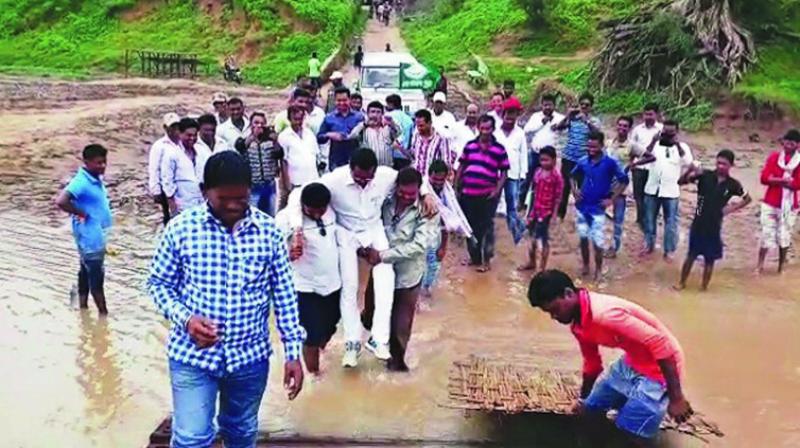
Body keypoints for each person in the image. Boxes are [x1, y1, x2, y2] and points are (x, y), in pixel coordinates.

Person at [148, 151, 305, 448]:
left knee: (241, 431)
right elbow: (158, 284)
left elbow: (284, 297)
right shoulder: (180, 229)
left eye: (242, 199)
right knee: (192, 438)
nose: (234, 206)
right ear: (205, 191)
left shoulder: (269, 232)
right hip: (192, 357)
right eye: (224, 199)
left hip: (249, 359)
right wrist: (187, 319)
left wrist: (293, 354)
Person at [285, 148, 437, 368]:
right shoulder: (335, 179)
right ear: (350, 169)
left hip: (374, 229)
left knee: (387, 276)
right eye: (358, 178)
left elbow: (410, 176)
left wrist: (426, 193)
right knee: (349, 287)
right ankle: (352, 343)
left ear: (376, 172)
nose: (364, 183)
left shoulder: (386, 175)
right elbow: (298, 195)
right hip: (347, 233)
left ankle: (379, 339)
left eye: (368, 179)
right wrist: (297, 229)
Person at [527, 270, 693, 445]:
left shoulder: (605, 315)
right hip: (632, 362)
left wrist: (677, 399)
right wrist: (583, 399)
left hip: (660, 368)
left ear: (569, 293)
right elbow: (592, 364)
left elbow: (661, 344)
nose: (554, 317)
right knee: (589, 411)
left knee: (631, 430)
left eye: (555, 309)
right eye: (549, 313)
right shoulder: (578, 324)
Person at [360, 168, 439, 371]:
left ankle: (396, 370)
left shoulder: (427, 209)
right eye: (401, 193)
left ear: (418, 191)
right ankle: (374, 340)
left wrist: (382, 256)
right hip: (380, 272)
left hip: (406, 277)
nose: (405, 197)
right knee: (368, 316)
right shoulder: (385, 200)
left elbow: (419, 246)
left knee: (399, 330)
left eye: (411, 194)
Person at [276, 183, 342, 375]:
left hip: (332, 284)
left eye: (321, 210)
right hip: (304, 287)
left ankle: (320, 348)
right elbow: (273, 253)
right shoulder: (285, 219)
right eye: (311, 211)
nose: (317, 215)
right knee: (310, 335)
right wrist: (288, 253)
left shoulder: (331, 212)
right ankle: (315, 375)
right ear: (301, 205)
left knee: (332, 324)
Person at [677, 150, 751, 291]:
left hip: (715, 222)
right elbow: (681, 182)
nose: (720, 166)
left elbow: (747, 199)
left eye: (724, 164)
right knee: (691, 254)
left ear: (731, 165)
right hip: (699, 218)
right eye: (718, 163)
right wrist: (689, 170)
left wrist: (730, 209)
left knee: (710, 258)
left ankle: (704, 287)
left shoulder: (733, 184)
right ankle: (681, 283)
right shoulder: (704, 175)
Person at [55, 144, 112, 315]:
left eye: (104, 162)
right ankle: (104, 316)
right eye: (98, 163)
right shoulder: (81, 182)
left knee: (85, 274)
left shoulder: (94, 178)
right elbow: (61, 201)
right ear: (86, 162)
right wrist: (81, 213)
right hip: (90, 240)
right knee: (96, 282)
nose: (102, 166)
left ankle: (83, 309)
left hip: (92, 237)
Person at [570, 131, 628, 281]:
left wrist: (612, 199)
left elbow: (624, 180)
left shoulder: (610, 163)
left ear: (602, 146)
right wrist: (574, 191)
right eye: (589, 146)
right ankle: (585, 265)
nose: (591, 150)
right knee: (583, 238)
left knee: (597, 241)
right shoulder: (583, 161)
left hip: (598, 208)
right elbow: (571, 176)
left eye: (594, 147)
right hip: (582, 206)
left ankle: (599, 270)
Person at [456, 114, 509, 273]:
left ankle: (486, 261)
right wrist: (456, 187)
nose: (485, 131)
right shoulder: (469, 145)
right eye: (482, 128)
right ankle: (474, 258)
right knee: (469, 227)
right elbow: (461, 166)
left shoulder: (499, 149)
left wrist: (497, 191)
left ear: (493, 129)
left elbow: (504, 172)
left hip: (488, 196)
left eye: (488, 128)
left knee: (486, 227)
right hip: (467, 194)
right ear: (478, 128)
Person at [634, 120, 693, 261]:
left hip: (671, 191)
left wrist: (677, 144)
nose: (668, 135)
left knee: (671, 222)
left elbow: (688, 162)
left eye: (671, 133)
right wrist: (654, 141)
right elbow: (644, 155)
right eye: (665, 132)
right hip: (652, 188)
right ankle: (649, 245)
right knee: (649, 219)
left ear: (677, 132)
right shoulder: (656, 145)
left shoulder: (683, 147)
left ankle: (669, 250)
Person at [756, 129, 800, 273]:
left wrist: (774, 180)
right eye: (786, 142)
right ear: (783, 143)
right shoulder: (774, 157)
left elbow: (797, 184)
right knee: (766, 234)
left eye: (791, 143)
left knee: (784, 235)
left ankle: (781, 267)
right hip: (770, 202)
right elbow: (763, 178)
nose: (788, 145)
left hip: (790, 205)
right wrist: (783, 180)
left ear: (797, 145)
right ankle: (759, 265)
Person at [553, 93, 602, 220]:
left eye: (587, 105)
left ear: (591, 107)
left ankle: (582, 216)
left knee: (582, 189)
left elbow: (598, 135)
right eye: (582, 104)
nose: (584, 107)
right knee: (564, 188)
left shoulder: (594, 121)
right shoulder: (573, 118)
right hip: (568, 158)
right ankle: (560, 216)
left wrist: (587, 122)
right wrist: (568, 116)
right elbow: (558, 128)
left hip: (584, 161)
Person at [519, 146, 562, 273]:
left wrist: (554, 215)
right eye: (542, 160)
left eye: (546, 160)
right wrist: (529, 211)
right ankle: (531, 262)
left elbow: (558, 197)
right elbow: (534, 192)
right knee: (531, 236)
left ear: (554, 160)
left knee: (542, 239)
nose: (544, 163)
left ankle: (542, 268)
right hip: (535, 209)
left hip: (546, 212)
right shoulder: (538, 172)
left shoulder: (556, 176)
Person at [494, 97, 528, 244]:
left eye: (513, 114)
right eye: (508, 113)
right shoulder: (495, 133)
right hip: (495, 175)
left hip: (513, 175)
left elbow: (523, 154)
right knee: (492, 205)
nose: (510, 117)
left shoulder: (520, 133)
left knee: (512, 207)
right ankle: (491, 238)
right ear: (503, 114)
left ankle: (517, 237)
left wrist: (523, 174)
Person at [521, 94, 564, 209]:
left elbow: (565, 130)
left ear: (554, 106)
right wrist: (542, 122)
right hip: (535, 153)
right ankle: (520, 203)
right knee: (527, 178)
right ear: (542, 105)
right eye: (545, 105)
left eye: (550, 105)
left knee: (544, 181)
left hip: (550, 157)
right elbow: (526, 130)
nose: (547, 107)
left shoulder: (560, 118)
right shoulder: (536, 116)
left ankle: (539, 205)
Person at [161, 118, 211, 216]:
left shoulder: (202, 151)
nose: (192, 138)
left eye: (195, 135)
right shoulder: (172, 153)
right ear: (180, 133)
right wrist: (173, 209)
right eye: (188, 135)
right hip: (183, 206)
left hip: (202, 204)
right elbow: (167, 182)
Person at [235, 111, 281, 216]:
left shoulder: (270, 139)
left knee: (270, 214)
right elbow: (240, 148)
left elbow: (279, 154)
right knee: (253, 214)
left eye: (262, 123)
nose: (259, 126)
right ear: (250, 124)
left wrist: (275, 141)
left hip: (269, 184)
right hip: (253, 185)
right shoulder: (243, 139)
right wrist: (252, 137)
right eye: (256, 123)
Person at [604, 116, 635, 257]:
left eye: (625, 126)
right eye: (620, 125)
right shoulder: (609, 143)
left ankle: (614, 248)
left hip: (621, 187)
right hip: (605, 184)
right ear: (616, 126)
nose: (622, 128)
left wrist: (632, 164)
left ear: (629, 129)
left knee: (618, 219)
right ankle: (598, 243)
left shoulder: (632, 145)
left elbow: (650, 156)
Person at [630, 104, 663, 230]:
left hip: (656, 168)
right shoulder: (637, 130)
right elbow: (632, 148)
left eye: (650, 114)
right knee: (639, 195)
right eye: (645, 114)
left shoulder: (662, 129)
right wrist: (631, 163)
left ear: (657, 114)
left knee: (653, 195)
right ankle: (641, 220)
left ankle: (650, 219)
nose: (647, 117)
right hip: (639, 168)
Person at [278, 105, 320, 204]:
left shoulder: (309, 133)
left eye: (300, 118)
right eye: (295, 118)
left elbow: (315, 155)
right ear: (289, 118)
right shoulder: (284, 136)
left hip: (312, 180)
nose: (298, 121)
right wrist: (287, 185)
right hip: (296, 182)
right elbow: (284, 162)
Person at [318, 87, 365, 170]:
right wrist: (329, 135)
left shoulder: (359, 117)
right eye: (338, 100)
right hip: (336, 160)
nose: (341, 103)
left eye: (344, 100)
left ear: (349, 100)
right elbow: (319, 138)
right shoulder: (329, 118)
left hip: (355, 159)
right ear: (334, 101)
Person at [148, 113, 181, 225]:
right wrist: (156, 190)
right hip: (165, 186)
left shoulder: (182, 142)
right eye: (172, 127)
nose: (175, 129)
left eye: (177, 126)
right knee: (169, 216)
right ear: (166, 128)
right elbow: (154, 168)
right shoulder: (159, 146)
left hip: (180, 185)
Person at [410, 109, 455, 175]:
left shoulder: (441, 138)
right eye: (417, 126)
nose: (419, 128)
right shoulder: (416, 137)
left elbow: (446, 163)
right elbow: (414, 156)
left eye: (421, 126)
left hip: (433, 179)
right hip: (417, 178)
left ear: (429, 123)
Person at [361, 101, 401, 167]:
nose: (375, 115)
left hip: (387, 166)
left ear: (382, 114)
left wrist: (392, 124)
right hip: (369, 167)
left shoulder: (388, 128)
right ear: (368, 114)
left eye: (378, 112)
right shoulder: (363, 129)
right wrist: (365, 124)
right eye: (372, 112)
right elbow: (354, 135)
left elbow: (399, 133)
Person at [385, 94, 414, 169]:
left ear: (391, 104)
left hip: (391, 154)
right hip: (405, 155)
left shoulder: (387, 117)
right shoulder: (409, 119)